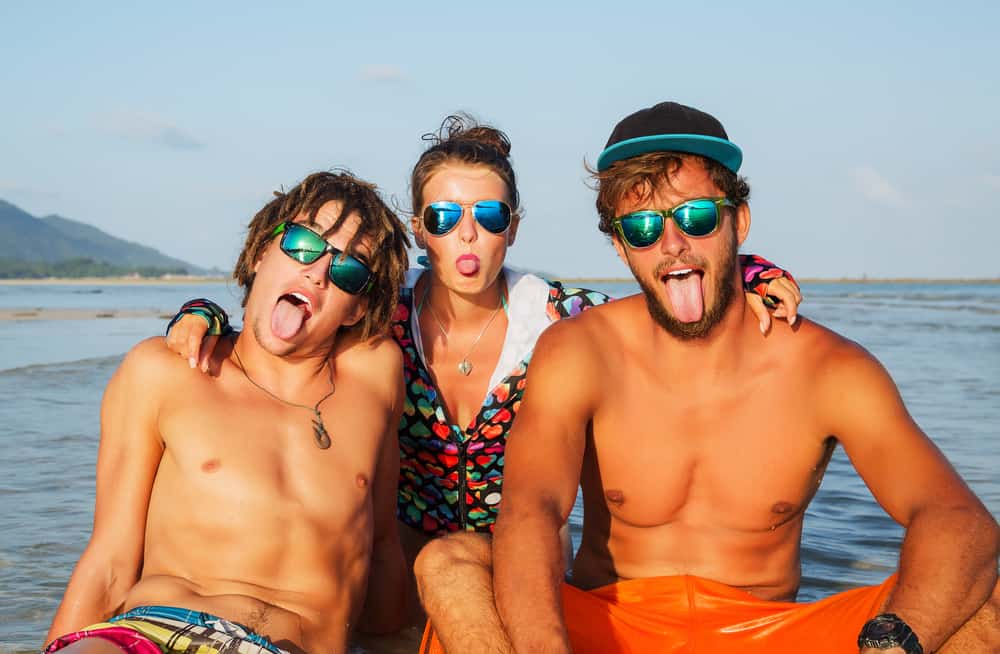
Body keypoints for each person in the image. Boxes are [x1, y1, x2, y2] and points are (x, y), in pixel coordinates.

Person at [414, 102, 1000, 654]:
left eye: (694, 217)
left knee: (983, 597)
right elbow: (532, 511)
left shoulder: (830, 369)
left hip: (766, 633)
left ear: (738, 222)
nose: (671, 244)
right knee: (452, 565)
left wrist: (895, 641)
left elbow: (955, 518)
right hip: (611, 624)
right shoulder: (578, 349)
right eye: (642, 227)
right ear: (620, 247)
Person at [43, 171, 412, 654]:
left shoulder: (375, 374)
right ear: (262, 252)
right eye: (302, 244)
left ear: (356, 310)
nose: (318, 271)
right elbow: (110, 558)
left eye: (348, 270)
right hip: (153, 632)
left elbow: (381, 543)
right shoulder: (166, 370)